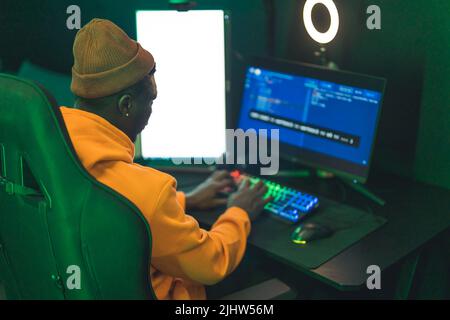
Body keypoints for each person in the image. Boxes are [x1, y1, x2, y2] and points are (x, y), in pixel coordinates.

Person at [60, 18, 270, 300]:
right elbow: (210, 263)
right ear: (126, 105)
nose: (151, 113)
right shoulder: (148, 191)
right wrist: (239, 212)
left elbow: (116, 215)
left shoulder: (48, 151)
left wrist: (186, 200)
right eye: (151, 101)